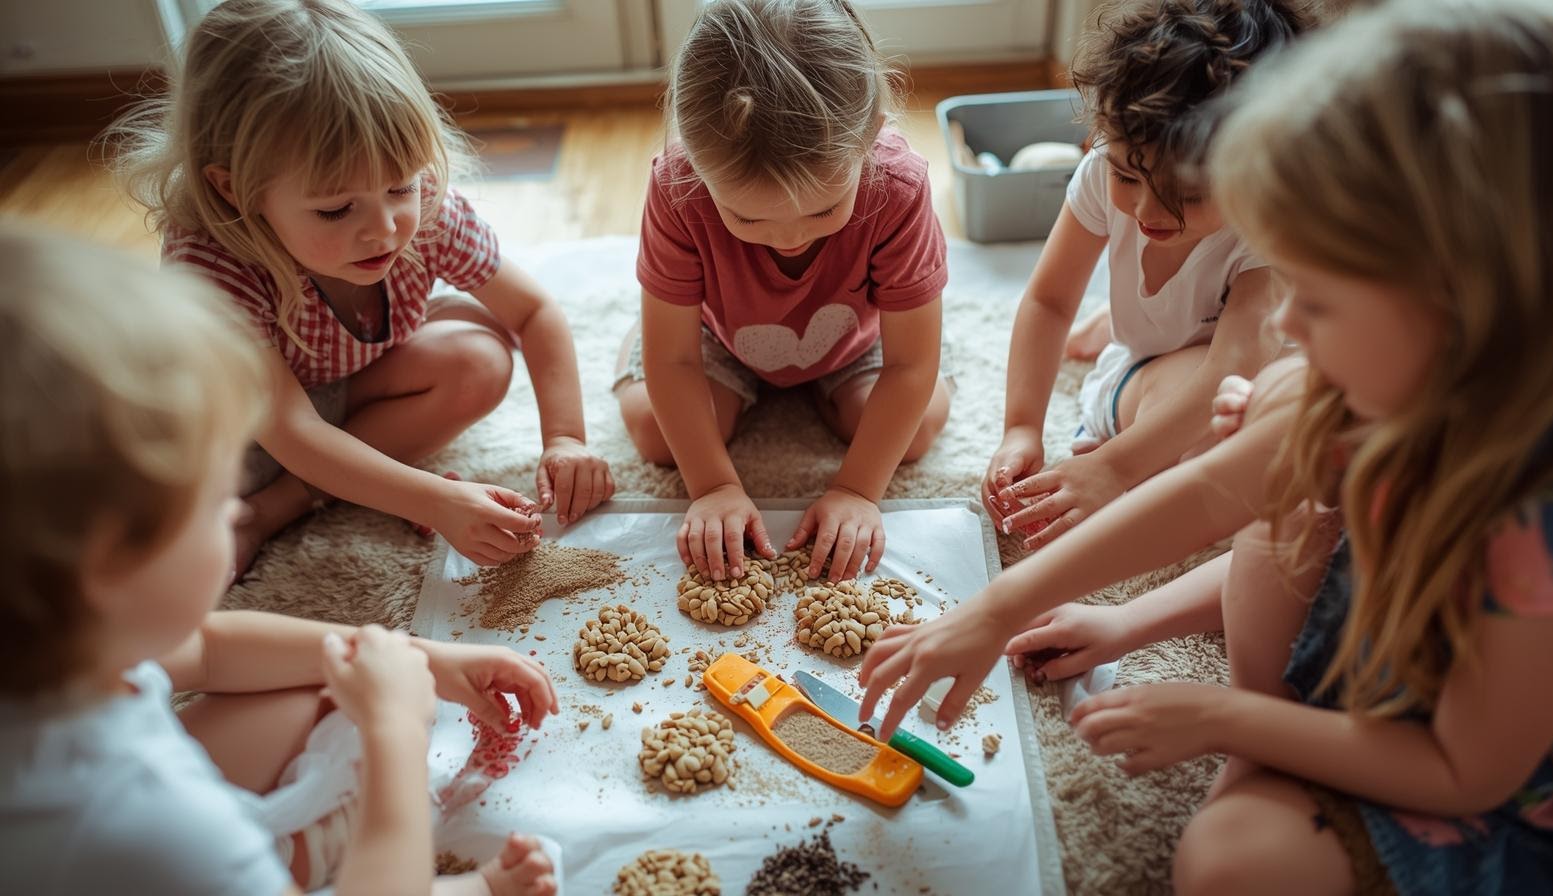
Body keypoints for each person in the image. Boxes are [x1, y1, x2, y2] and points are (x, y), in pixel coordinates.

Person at [860, 1, 1553, 891]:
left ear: (1456, 309)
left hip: (1487, 779)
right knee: (1273, 428)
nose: (1283, 321)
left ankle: (1274, 733)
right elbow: (1217, 500)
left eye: (1315, 300)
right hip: (1364, 664)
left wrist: (1225, 721)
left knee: (1228, 868)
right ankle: (1282, 727)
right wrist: (1050, 614)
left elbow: (1467, 771)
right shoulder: (1349, 388)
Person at [0, 226, 562, 895]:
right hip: (189, 860)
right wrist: (396, 737)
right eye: (214, 505)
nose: (239, 514)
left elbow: (208, 649)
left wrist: (420, 659)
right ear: (106, 567)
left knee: (328, 682)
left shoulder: (59, 646)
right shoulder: (153, 828)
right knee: (357, 716)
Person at [111, 0, 613, 578]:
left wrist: (566, 439)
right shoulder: (213, 262)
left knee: (478, 358)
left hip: (345, 379)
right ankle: (270, 506)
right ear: (235, 191)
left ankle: (281, 507)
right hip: (248, 419)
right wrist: (427, 497)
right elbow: (294, 430)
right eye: (335, 210)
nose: (384, 228)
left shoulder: (425, 209)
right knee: (161, 518)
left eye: (401, 186)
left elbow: (533, 312)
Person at [616, 0, 951, 584]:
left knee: (916, 428)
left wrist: (856, 490)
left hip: (854, 337)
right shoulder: (676, 185)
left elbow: (910, 363)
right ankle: (643, 324)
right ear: (695, 162)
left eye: (824, 211)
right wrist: (714, 488)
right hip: (717, 333)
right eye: (748, 221)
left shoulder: (899, 186)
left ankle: (842, 374)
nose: (790, 239)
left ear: (871, 133)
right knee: (654, 432)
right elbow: (673, 361)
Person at [982, 0, 1309, 549]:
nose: (1148, 214)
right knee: (1189, 462)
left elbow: (1232, 368)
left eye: (1189, 196)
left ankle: (1121, 323)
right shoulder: (1103, 169)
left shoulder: (1273, 228)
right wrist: (1022, 427)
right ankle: (1121, 326)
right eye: (1128, 177)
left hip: (1248, 370)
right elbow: (1049, 301)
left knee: (1249, 463)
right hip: (1154, 371)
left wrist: (1112, 469)